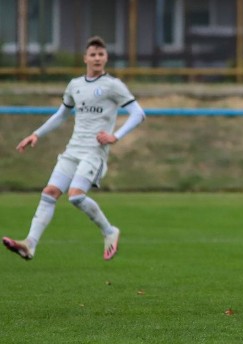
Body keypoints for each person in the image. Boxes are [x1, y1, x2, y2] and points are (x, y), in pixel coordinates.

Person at [3, 35, 146, 261]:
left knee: (75, 196)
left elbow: (138, 114)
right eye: (93, 54)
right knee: (49, 193)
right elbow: (62, 115)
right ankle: (30, 244)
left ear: (106, 58)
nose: (97, 58)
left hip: (94, 153)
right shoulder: (75, 85)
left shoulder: (113, 86)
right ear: (85, 58)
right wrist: (36, 134)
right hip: (73, 150)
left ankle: (110, 231)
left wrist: (115, 136)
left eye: (101, 54)